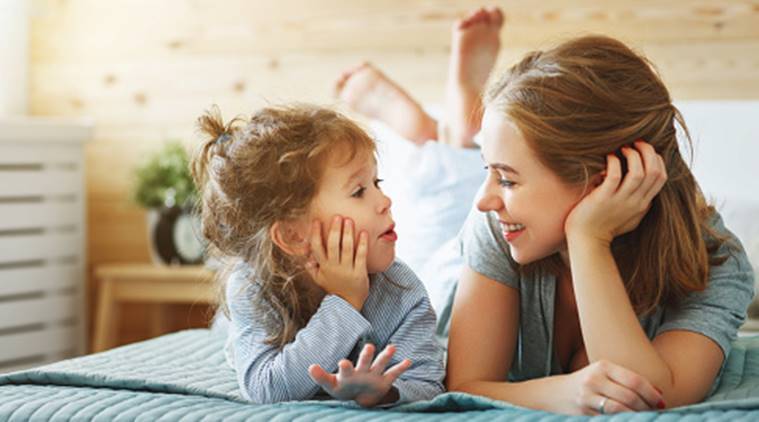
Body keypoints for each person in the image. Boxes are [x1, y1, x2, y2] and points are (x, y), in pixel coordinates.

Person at [444, 34, 755, 415]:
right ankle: (456, 133)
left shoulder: (718, 263)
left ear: (605, 179)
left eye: (508, 180)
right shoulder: (496, 224)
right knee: (445, 198)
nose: (486, 199)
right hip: (445, 273)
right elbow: (462, 386)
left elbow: (652, 398)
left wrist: (588, 239)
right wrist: (564, 393)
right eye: (490, 173)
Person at [191, 105, 445, 406]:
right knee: (230, 334)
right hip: (254, 314)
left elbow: (428, 384)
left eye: (377, 183)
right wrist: (344, 302)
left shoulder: (402, 291)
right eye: (358, 191)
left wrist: (385, 391)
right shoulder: (253, 286)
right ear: (293, 236)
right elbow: (265, 389)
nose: (385, 201)